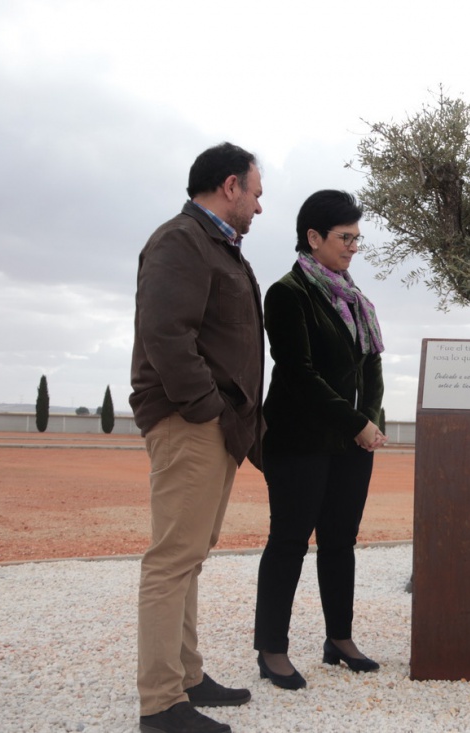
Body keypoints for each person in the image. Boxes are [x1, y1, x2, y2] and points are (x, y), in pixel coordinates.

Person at [130, 142, 265, 733]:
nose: (260, 207)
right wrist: (206, 409)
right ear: (230, 186)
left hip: (215, 425)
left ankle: (186, 675)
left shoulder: (217, 247)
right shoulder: (180, 241)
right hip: (191, 421)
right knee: (172, 560)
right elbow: (165, 333)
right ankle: (161, 703)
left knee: (190, 557)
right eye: (256, 193)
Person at [252, 189, 387, 691]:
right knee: (289, 542)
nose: (353, 247)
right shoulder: (288, 294)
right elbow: (300, 375)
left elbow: (370, 366)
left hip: (351, 444)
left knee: (340, 542)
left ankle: (340, 639)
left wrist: (367, 420)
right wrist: (357, 422)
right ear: (313, 238)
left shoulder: (355, 298)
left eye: (357, 238)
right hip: (299, 440)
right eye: (344, 237)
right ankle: (272, 649)